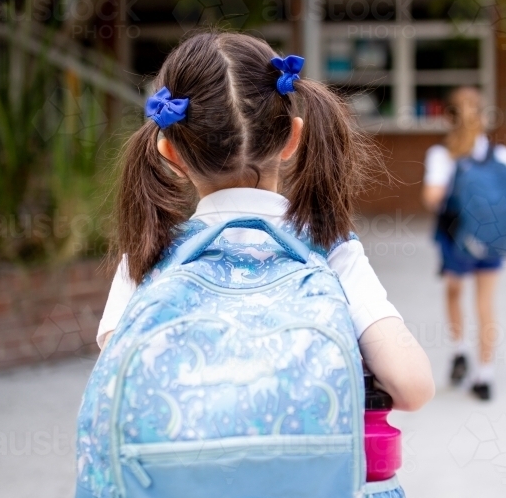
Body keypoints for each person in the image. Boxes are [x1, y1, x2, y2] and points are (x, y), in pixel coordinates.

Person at [96, 31, 434, 415]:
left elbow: (118, 394)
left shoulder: (147, 257)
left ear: (169, 153)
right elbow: (413, 386)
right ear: (293, 138)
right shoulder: (331, 250)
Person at [422, 87, 506, 401]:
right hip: (491, 239)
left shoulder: (442, 156)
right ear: (484, 118)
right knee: (486, 303)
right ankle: (484, 376)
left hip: (456, 239)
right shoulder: (502, 156)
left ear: (448, 118)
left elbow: (432, 198)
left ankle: (459, 350)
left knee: (453, 291)